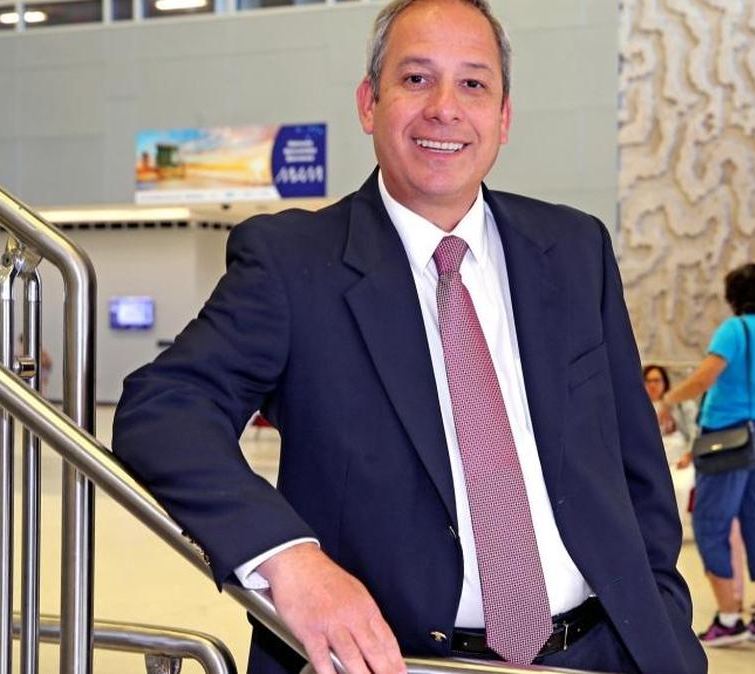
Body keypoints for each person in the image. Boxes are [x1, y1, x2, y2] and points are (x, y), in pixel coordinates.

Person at [111, 2, 706, 674]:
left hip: (607, 652)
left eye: (474, 84)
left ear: (504, 118)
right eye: (417, 79)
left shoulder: (573, 249)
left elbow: (634, 460)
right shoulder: (293, 263)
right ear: (370, 103)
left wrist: (661, 610)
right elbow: (163, 409)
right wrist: (290, 559)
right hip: (397, 664)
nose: (445, 109)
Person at [657, 263, 755, 648]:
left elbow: (705, 377)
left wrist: (664, 401)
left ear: (734, 296)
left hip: (731, 436)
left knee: (711, 521)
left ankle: (728, 618)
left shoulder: (735, 330)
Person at [643, 364, 698, 465]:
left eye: (656, 380)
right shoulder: (639, 408)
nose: (652, 385)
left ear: (665, 382)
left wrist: (689, 454)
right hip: (651, 459)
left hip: (679, 456)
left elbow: (693, 431)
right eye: (648, 381)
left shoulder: (680, 405)